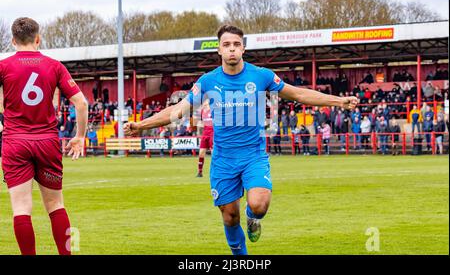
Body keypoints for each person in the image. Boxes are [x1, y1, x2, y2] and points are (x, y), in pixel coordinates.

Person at [123, 24, 357, 255]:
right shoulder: (207, 81)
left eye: (236, 44)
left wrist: (338, 101)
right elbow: (177, 110)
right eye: (227, 45)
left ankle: (253, 218)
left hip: (253, 156)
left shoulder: (261, 76)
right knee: (229, 216)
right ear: (219, 50)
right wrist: (141, 125)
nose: (232, 49)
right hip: (223, 160)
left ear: (243, 48)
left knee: (259, 204)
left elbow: (298, 93)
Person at [0, 17, 88, 255]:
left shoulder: (4, 66)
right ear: (37, 38)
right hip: (47, 142)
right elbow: (81, 103)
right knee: (56, 205)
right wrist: (80, 136)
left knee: (21, 209)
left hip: (15, 143)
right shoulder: (54, 65)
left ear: (12, 41)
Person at [196, 99, 214, 178]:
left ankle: (215, 172)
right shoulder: (203, 112)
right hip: (205, 133)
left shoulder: (214, 111)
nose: (204, 104)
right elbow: (202, 122)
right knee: (201, 153)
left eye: (205, 103)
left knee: (214, 154)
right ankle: (200, 172)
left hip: (213, 134)